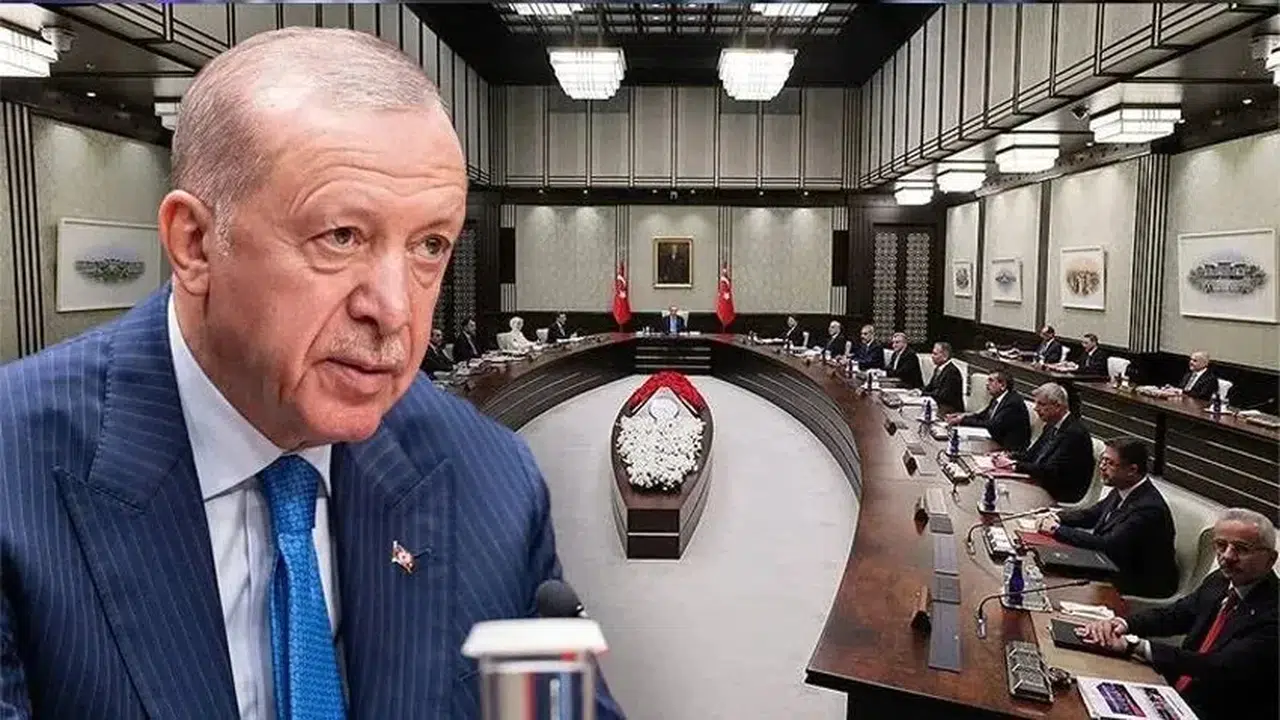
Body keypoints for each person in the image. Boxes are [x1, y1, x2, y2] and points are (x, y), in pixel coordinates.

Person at [0, 28, 624, 720]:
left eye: (429, 245)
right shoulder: (13, 477)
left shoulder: (493, 480)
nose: (394, 310)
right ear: (195, 243)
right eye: (341, 236)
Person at [1077, 509, 1277, 720]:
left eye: (1241, 549)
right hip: (1175, 692)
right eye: (1221, 545)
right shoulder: (1219, 580)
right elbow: (1176, 615)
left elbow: (1218, 667)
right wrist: (1122, 624)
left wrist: (1135, 645)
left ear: (1270, 559)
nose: (1227, 556)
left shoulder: (1274, 612)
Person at [1036, 438, 1177, 598]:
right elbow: (1090, 515)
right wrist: (1056, 516)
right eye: (1102, 460)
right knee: (1044, 560)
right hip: (1112, 563)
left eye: (1110, 463)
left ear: (1132, 470)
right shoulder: (1122, 489)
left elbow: (1108, 545)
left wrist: (1056, 530)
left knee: (1054, 573)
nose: (1102, 467)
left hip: (1138, 580)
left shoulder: (1148, 509)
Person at [992, 382, 1094, 503]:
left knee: (1005, 495)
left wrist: (1014, 465)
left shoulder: (1075, 434)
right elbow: (1031, 455)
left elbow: (1051, 471)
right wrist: (1009, 456)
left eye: (1041, 404)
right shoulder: (1050, 426)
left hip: (1061, 492)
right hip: (1043, 481)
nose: (1036, 408)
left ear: (1057, 406)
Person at [945, 371, 1031, 451]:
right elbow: (982, 415)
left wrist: (962, 420)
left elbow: (992, 424)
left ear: (1003, 385)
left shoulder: (1013, 403)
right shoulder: (997, 398)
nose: (986, 384)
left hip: (1009, 449)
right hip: (994, 440)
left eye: (991, 380)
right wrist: (961, 416)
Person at [920, 341, 964, 411]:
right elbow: (930, 387)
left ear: (945, 356)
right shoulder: (938, 368)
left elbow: (942, 395)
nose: (932, 356)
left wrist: (922, 393)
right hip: (938, 404)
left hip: (950, 409)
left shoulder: (952, 372)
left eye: (935, 354)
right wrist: (918, 391)